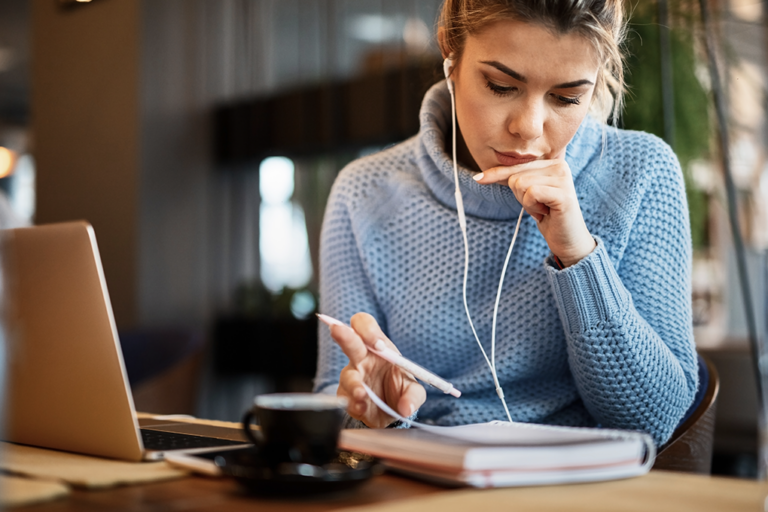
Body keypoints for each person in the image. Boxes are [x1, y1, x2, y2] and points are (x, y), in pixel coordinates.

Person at [313, 0, 698, 446]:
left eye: (567, 97)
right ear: (449, 51)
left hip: (579, 489)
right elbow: (335, 397)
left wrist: (578, 256)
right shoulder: (364, 192)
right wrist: (377, 414)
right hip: (422, 485)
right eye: (500, 86)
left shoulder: (640, 172)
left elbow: (658, 417)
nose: (529, 128)